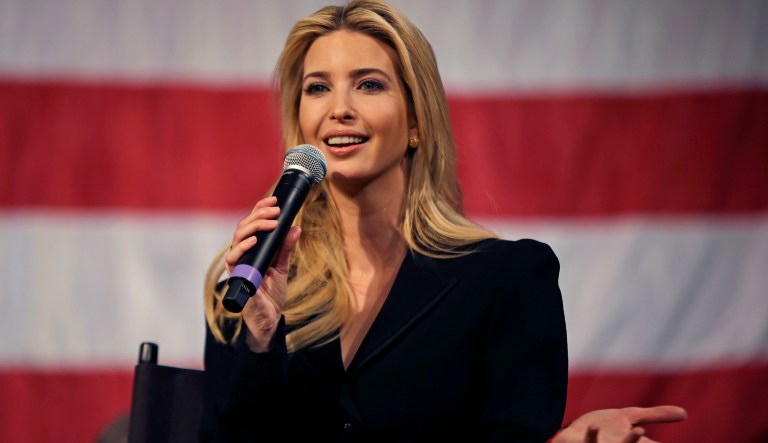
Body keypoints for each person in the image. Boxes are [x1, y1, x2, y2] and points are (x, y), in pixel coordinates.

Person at [200, 1, 686, 442]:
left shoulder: (508, 279)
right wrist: (258, 342)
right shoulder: (249, 285)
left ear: (416, 121)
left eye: (369, 84)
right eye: (317, 88)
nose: (339, 109)